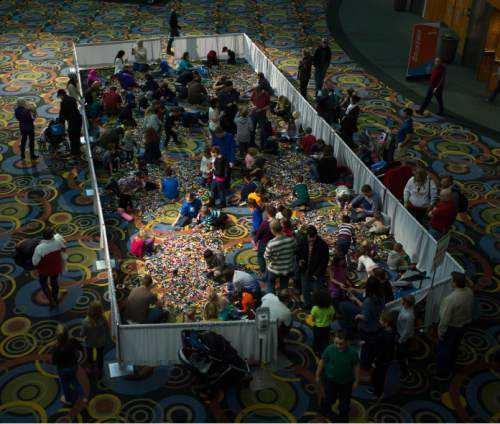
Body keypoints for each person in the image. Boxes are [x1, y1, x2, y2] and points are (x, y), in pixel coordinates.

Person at [436, 272, 474, 380]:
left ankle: (442, 373)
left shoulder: (451, 299)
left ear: (455, 283)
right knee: (454, 348)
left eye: (452, 280)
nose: (450, 282)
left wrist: (440, 332)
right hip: (464, 325)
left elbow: (445, 319)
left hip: (452, 328)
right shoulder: (469, 291)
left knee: (444, 351)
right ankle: (451, 366)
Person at [316, 331, 359, 422]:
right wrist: (317, 374)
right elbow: (322, 361)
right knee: (330, 398)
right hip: (330, 380)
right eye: (336, 343)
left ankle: (343, 418)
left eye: (341, 344)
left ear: (347, 342)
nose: (338, 346)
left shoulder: (353, 353)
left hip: (346, 382)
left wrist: (356, 380)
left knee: (345, 402)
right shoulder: (329, 349)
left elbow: (356, 366)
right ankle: (324, 409)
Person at [52, 324, 86, 405]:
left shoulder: (56, 348)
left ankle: (67, 400)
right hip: (73, 366)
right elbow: (80, 347)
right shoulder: (72, 341)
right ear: (67, 333)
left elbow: (54, 361)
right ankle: (83, 397)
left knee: (65, 384)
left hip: (63, 370)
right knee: (75, 381)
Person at [297, 225, 330, 308]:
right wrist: (300, 260)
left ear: (316, 235)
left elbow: (324, 262)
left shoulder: (323, 245)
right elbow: (298, 253)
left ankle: (316, 307)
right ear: (307, 235)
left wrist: (316, 274)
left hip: (316, 272)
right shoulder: (303, 240)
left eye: (313, 238)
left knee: (316, 291)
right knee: (305, 289)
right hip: (305, 270)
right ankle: (307, 304)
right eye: (309, 238)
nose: (311, 240)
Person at [32, 228, 66, 307]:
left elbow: (35, 262)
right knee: (54, 282)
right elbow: (64, 249)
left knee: (43, 283)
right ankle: (55, 298)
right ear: (52, 235)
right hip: (56, 268)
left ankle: (51, 301)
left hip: (44, 271)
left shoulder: (40, 248)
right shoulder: (58, 242)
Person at [370, 309, 396, 400]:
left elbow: (380, 351)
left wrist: (375, 361)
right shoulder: (391, 331)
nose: (379, 320)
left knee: (378, 377)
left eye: (380, 319)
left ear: (386, 323)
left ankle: (378, 394)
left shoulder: (384, 336)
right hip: (387, 358)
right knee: (378, 376)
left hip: (381, 360)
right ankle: (376, 390)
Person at [264, 219, 296, 292]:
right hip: (287, 268)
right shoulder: (291, 239)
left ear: (272, 230)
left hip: (273, 269)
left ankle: (271, 299)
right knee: (284, 287)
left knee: (270, 285)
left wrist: (269, 263)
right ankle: (283, 300)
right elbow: (295, 250)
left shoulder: (271, 243)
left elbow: (266, 256)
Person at [82, 300, 107, 377]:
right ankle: (99, 370)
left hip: (90, 342)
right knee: (100, 356)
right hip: (100, 342)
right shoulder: (103, 318)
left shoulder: (86, 321)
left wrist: (81, 335)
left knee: (89, 355)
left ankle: (90, 368)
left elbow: (83, 333)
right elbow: (106, 327)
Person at [57, 89, 82, 161]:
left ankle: (74, 153)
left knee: (72, 137)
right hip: (78, 119)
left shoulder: (63, 102)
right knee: (77, 135)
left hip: (72, 121)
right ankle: (78, 151)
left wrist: (61, 125)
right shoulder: (72, 98)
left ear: (61, 95)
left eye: (59, 96)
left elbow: (62, 115)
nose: (60, 98)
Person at [311, 288, 335, 355]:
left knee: (317, 339)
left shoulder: (315, 309)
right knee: (326, 339)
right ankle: (324, 350)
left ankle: (316, 350)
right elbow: (332, 318)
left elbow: (312, 319)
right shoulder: (331, 308)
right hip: (327, 326)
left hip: (317, 327)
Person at [397, 295, 415, 378]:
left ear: (408, 304)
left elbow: (407, 330)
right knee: (400, 353)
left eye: (403, 302)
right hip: (400, 332)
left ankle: (405, 372)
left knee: (402, 355)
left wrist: (401, 339)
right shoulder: (405, 308)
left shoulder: (410, 316)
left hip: (405, 338)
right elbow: (400, 310)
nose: (402, 303)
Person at [255, 205, 277, 273]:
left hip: (264, 243)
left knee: (260, 256)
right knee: (272, 257)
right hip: (274, 243)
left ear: (268, 213)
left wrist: (256, 240)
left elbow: (259, 233)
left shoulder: (264, 223)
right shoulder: (277, 222)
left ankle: (263, 270)